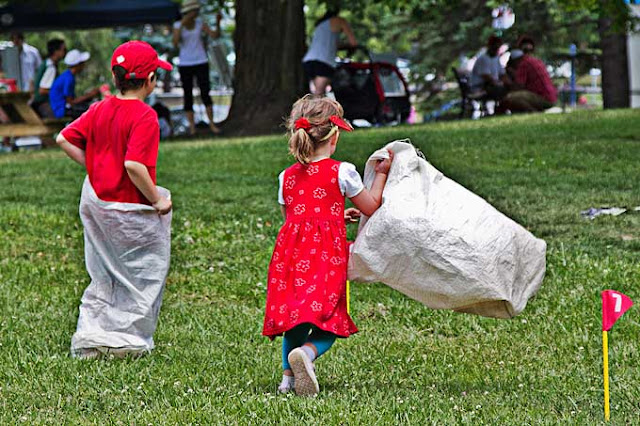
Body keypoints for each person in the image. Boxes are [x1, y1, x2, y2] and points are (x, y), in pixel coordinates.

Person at [262, 95, 393, 396]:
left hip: (290, 258)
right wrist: (382, 174)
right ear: (334, 137)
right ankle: (306, 354)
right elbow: (371, 206)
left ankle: (286, 381)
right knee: (330, 320)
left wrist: (336, 215)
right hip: (326, 258)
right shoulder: (342, 171)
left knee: (296, 318)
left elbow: (293, 219)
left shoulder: (285, 176)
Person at [56, 41, 173, 359]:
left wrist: (94, 165)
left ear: (115, 76)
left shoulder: (99, 108)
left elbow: (64, 138)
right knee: (139, 274)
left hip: (97, 203)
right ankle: (127, 338)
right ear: (150, 79)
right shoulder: (145, 116)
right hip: (129, 206)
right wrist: (157, 200)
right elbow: (134, 165)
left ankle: (93, 335)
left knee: (103, 272)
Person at [172, 0, 222, 135]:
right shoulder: (178, 25)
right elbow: (175, 43)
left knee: (205, 92)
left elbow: (215, 35)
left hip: (201, 61)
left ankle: (212, 124)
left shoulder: (200, 23)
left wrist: (218, 22)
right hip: (185, 63)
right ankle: (192, 128)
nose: (195, 13)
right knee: (187, 94)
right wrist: (182, 25)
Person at [302, 9, 357, 95]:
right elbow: (353, 43)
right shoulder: (340, 20)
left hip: (308, 61)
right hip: (324, 62)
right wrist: (349, 49)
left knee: (314, 93)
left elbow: (328, 45)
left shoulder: (320, 26)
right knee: (319, 95)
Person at [503, 38, 557, 112]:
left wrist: (508, 81)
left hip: (543, 98)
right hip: (551, 97)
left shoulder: (523, 64)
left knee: (510, 97)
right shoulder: (535, 60)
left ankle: (534, 112)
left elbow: (518, 87)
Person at [49, 49, 100, 119]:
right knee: (94, 112)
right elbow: (71, 102)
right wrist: (89, 95)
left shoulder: (67, 75)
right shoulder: (69, 78)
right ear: (77, 65)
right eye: (82, 63)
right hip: (61, 111)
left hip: (61, 108)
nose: (84, 65)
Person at [31, 38, 66, 117]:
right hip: (43, 103)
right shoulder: (50, 67)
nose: (65, 52)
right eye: (63, 50)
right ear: (56, 52)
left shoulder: (47, 63)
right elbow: (42, 90)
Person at [470, 35, 508, 101]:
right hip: (480, 88)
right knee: (500, 89)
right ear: (490, 46)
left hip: (490, 85)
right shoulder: (483, 58)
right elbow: (486, 77)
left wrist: (509, 83)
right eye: (495, 47)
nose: (496, 49)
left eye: (497, 47)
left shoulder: (496, 58)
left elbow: (502, 73)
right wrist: (499, 83)